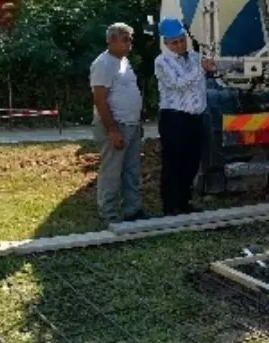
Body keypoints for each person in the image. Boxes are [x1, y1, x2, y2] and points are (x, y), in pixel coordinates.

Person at [155, 18, 216, 216]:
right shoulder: (162, 62)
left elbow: (205, 78)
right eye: (175, 42)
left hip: (195, 118)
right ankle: (170, 205)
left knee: (191, 162)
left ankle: (184, 201)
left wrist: (211, 67)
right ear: (166, 43)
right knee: (174, 163)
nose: (180, 45)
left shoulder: (196, 57)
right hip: (174, 119)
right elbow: (177, 83)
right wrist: (201, 70)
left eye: (182, 40)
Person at [91, 22, 147, 225]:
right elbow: (100, 99)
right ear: (111, 40)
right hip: (115, 126)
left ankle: (133, 210)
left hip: (131, 124)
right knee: (112, 171)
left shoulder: (124, 62)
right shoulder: (103, 63)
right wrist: (112, 130)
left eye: (130, 39)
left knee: (132, 170)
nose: (129, 43)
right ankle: (109, 214)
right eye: (125, 39)